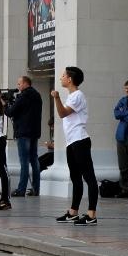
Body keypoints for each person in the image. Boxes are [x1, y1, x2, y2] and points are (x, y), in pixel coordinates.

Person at [52, 67, 99, 226]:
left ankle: (91, 215)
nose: (61, 78)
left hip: (80, 141)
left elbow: (63, 113)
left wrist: (56, 98)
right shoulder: (72, 96)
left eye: (63, 75)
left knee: (89, 177)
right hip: (72, 142)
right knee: (75, 177)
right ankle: (73, 212)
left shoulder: (78, 95)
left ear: (70, 79)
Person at [5, 75, 43, 197]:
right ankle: (36, 189)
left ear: (26, 83)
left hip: (23, 132)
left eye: (19, 83)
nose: (18, 86)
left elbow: (10, 112)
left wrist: (5, 104)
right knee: (34, 159)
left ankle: (21, 189)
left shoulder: (23, 96)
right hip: (34, 132)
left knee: (24, 161)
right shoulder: (37, 95)